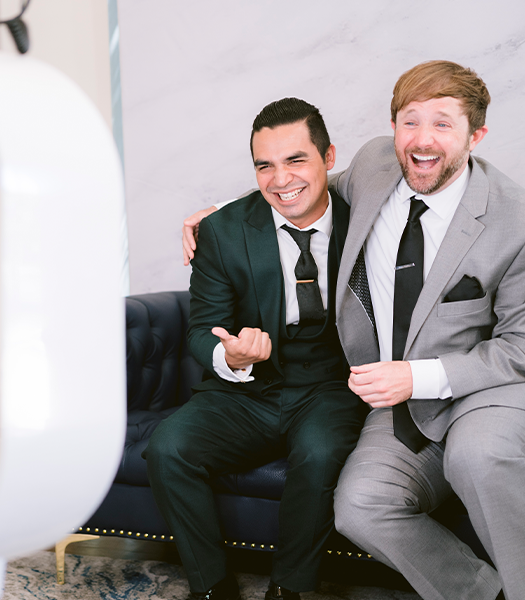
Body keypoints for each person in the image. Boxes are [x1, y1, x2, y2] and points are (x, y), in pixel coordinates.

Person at [181, 61, 525, 600]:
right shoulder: (375, 166)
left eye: (442, 123)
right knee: (360, 506)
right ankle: (485, 594)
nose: (422, 139)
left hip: (497, 394)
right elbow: (304, 185)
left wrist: (415, 375)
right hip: (403, 404)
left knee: (476, 457)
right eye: (409, 121)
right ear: (393, 128)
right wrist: (220, 215)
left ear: (475, 135)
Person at [145, 98, 367, 600]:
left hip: (329, 385)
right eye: (264, 165)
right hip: (246, 392)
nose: (280, 179)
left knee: (321, 451)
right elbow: (202, 328)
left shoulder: (369, 220)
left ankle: (289, 590)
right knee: (168, 447)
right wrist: (232, 357)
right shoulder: (223, 231)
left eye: (295, 160)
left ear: (329, 157)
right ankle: (211, 587)